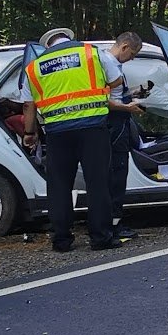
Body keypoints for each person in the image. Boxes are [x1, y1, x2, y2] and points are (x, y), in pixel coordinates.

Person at [23, 27, 120, 253]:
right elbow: (116, 80)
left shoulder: (34, 67)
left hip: (57, 133)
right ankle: (100, 238)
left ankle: (62, 240)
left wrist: (30, 132)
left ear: (47, 46)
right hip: (93, 129)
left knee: (59, 187)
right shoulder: (92, 53)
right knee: (98, 183)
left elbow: (29, 105)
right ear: (69, 39)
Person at [106, 31, 148, 242]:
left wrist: (133, 94)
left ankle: (113, 221)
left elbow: (113, 94)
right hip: (114, 125)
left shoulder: (111, 64)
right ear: (124, 47)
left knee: (116, 174)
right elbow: (104, 100)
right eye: (132, 53)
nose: (132, 58)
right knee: (116, 174)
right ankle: (113, 224)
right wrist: (127, 107)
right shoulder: (108, 64)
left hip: (116, 124)